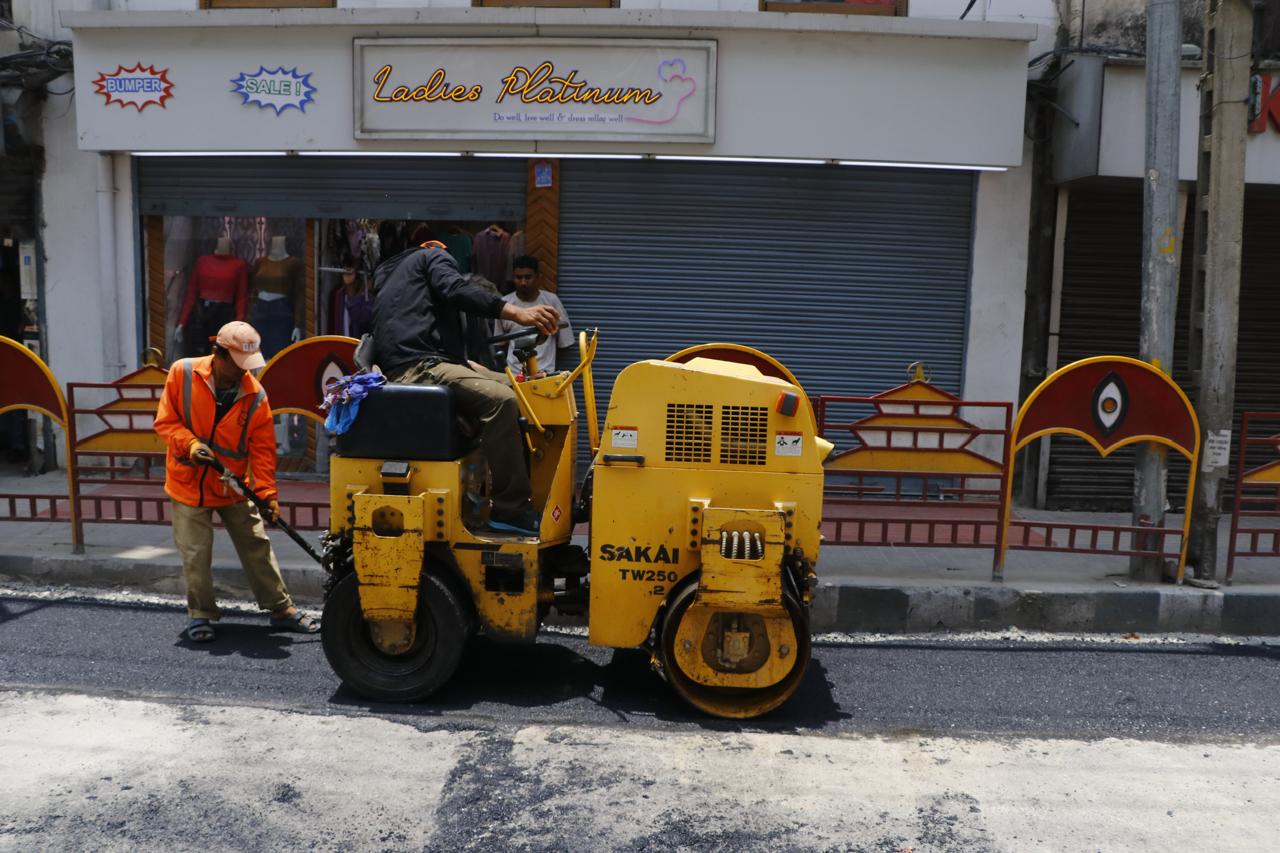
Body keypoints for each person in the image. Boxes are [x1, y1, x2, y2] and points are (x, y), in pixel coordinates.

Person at [371, 242, 559, 536]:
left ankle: (515, 493)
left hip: (420, 366)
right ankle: (511, 509)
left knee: (523, 390)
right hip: (420, 370)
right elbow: (454, 289)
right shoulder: (433, 255)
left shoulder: (390, 275)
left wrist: (486, 372)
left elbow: (445, 354)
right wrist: (514, 313)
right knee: (503, 401)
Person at [154, 320, 319, 643]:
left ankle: (280, 609)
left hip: (232, 483)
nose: (244, 372)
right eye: (238, 364)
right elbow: (166, 422)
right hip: (187, 481)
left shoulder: (256, 395)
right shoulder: (182, 373)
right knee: (196, 554)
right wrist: (189, 444)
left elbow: (262, 452)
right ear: (219, 354)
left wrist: (267, 495)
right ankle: (201, 614)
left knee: (256, 544)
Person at [493, 255, 574, 374]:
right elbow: (500, 344)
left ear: (538, 278)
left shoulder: (551, 302)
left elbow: (564, 342)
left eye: (528, 277)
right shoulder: (505, 305)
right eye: (518, 277)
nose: (523, 282)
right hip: (515, 376)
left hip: (545, 374)